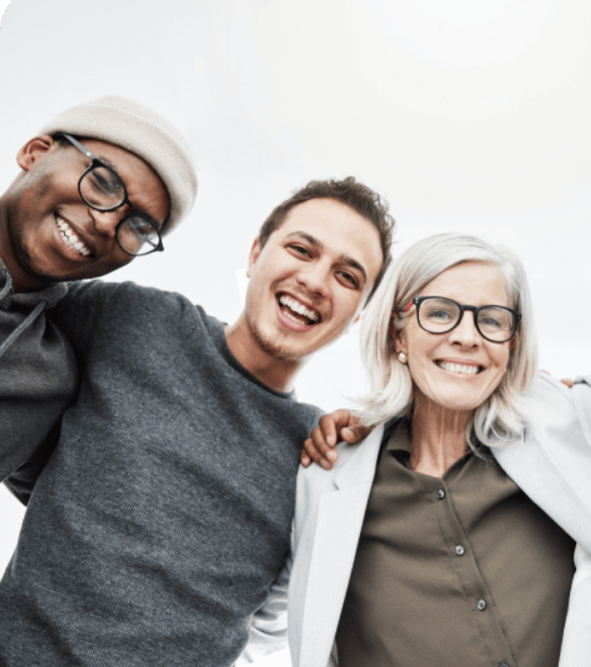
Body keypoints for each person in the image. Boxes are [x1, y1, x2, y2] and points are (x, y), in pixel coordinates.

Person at [263, 233, 591, 667]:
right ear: (397, 335)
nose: (467, 336)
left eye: (493, 319)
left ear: (512, 343)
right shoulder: (328, 474)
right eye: (439, 313)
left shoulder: (556, 421)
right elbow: (261, 615)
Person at [0, 178, 393, 667]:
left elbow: (274, 626)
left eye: (348, 277)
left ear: (360, 314)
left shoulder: (320, 459)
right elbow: (17, 323)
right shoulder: (137, 320)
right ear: (254, 255)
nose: (315, 281)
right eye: (300, 249)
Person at [1, 95, 197, 486]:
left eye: (139, 227)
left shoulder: (47, 378)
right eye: (103, 182)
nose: (108, 225)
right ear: (35, 152)